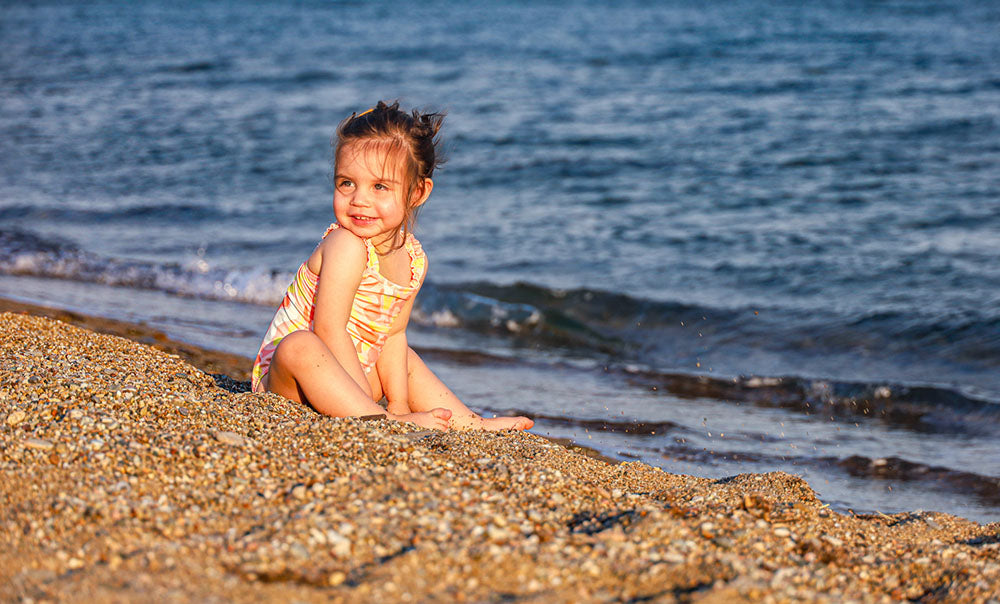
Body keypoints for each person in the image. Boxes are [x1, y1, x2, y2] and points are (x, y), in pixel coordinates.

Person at [251, 101, 533, 432]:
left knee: (405, 360)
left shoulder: (414, 260)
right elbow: (329, 331)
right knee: (299, 345)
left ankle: (470, 423)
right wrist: (375, 408)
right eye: (346, 183)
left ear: (417, 192)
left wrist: (398, 401)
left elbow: (394, 335)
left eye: (380, 187)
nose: (359, 199)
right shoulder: (346, 245)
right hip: (291, 381)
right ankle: (378, 420)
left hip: (351, 378)